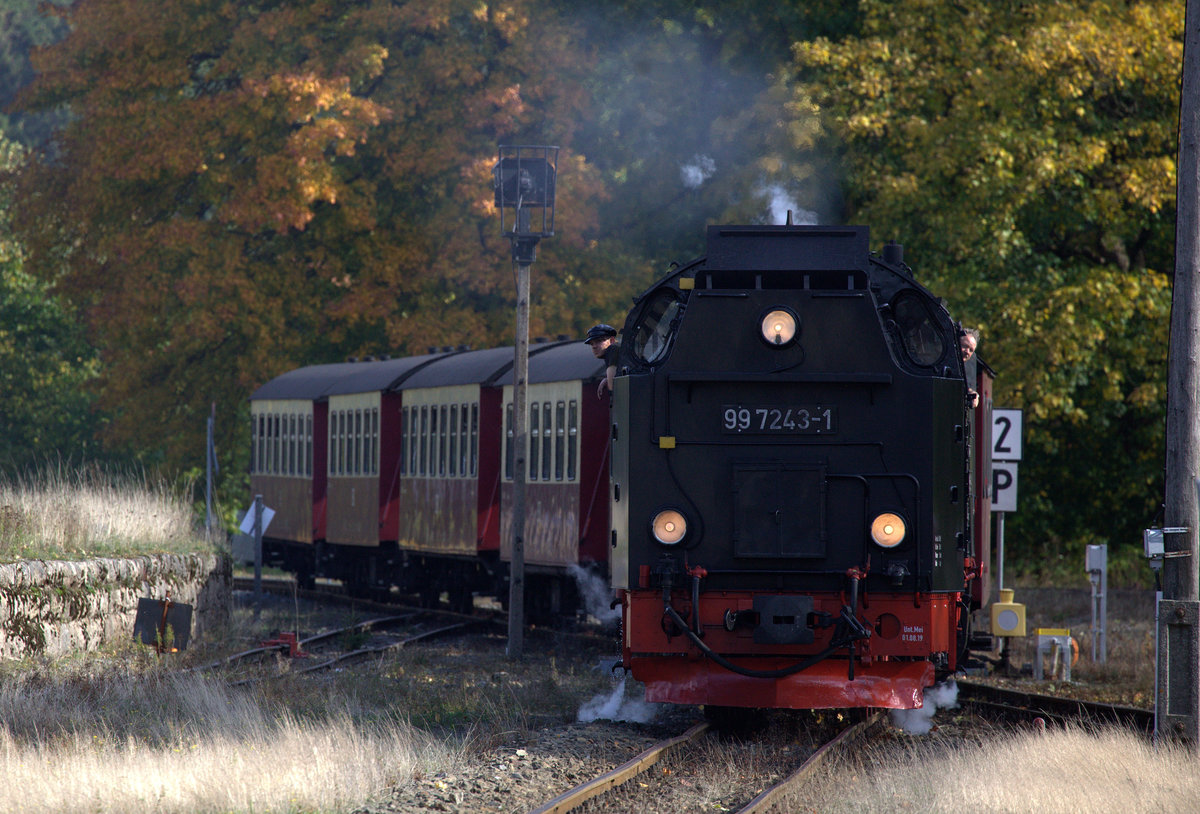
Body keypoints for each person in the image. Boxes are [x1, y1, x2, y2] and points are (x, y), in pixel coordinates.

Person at [584, 324, 618, 399]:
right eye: (592, 344)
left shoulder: (612, 349)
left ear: (612, 340)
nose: (594, 346)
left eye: (599, 341)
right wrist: (607, 379)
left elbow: (613, 389)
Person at [960, 327, 980, 408]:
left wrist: (973, 394)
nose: (967, 352)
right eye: (965, 346)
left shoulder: (966, 370)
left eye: (971, 350)